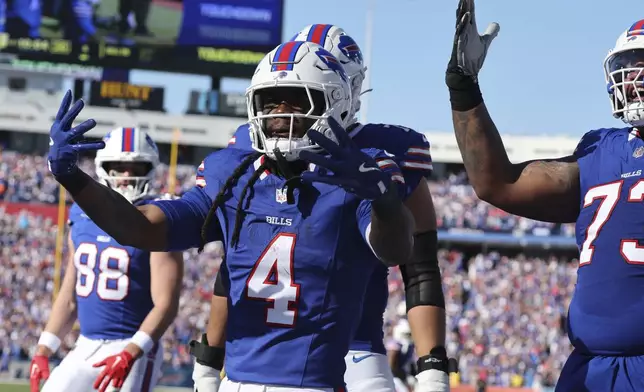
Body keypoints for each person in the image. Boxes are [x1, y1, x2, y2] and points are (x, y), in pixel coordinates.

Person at [46, 41, 415, 391]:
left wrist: (383, 199)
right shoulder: (232, 175)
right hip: (236, 381)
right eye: (269, 102)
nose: (279, 114)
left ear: (334, 103)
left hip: (315, 381)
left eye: (296, 101)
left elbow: (396, 250)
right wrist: (74, 179)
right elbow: (140, 228)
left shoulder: (362, 173)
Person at [192, 24, 454, 392]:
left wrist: (432, 369)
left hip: (356, 351)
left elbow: (420, 269)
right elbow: (233, 265)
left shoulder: (384, 154)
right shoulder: (258, 147)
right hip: (262, 358)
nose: (289, 106)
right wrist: (208, 360)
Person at [446, 0, 644, 390]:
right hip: (590, 369)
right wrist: (463, 86)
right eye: (631, 66)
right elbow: (496, 183)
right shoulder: (600, 151)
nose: (634, 78)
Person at [29, 127, 184, 392]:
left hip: (133, 344)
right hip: (86, 345)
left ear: (150, 168)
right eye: (118, 166)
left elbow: (165, 304)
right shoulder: (80, 214)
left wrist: (131, 352)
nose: (126, 176)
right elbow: (69, 295)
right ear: (103, 168)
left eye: (135, 166)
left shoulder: (158, 217)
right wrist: (45, 347)